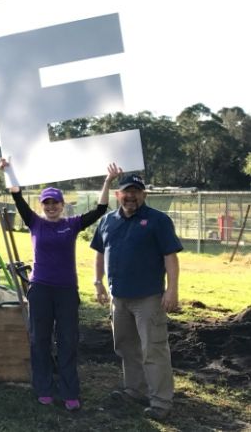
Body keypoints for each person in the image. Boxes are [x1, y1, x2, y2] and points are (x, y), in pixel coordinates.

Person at [0, 159, 119, 410]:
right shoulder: (35, 223)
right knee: (39, 340)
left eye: (55, 203)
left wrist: (107, 181)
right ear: (41, 206)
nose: (51, 207)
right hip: (41, 289)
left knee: (68, 340)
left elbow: (100, 209)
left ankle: (69, 391)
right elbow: (18, 197)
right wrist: (8, 171)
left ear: (63, 205)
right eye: (47, 203)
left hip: (66, 290)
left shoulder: (72, 224)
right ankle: (43, 386)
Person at [91, 173, 182, 421]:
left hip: (148, 298)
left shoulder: (158, 221)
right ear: (118, 194)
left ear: (143, 194)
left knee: (153, 349)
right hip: (118, 297)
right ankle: (134, 389)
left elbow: (170, 257)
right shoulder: (108, 221)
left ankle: (161, 401)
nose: (130, 196)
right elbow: (99, 253)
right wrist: (98, 282)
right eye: (126, 191)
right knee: (125, 346)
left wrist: (172, 289)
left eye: (136, 191)